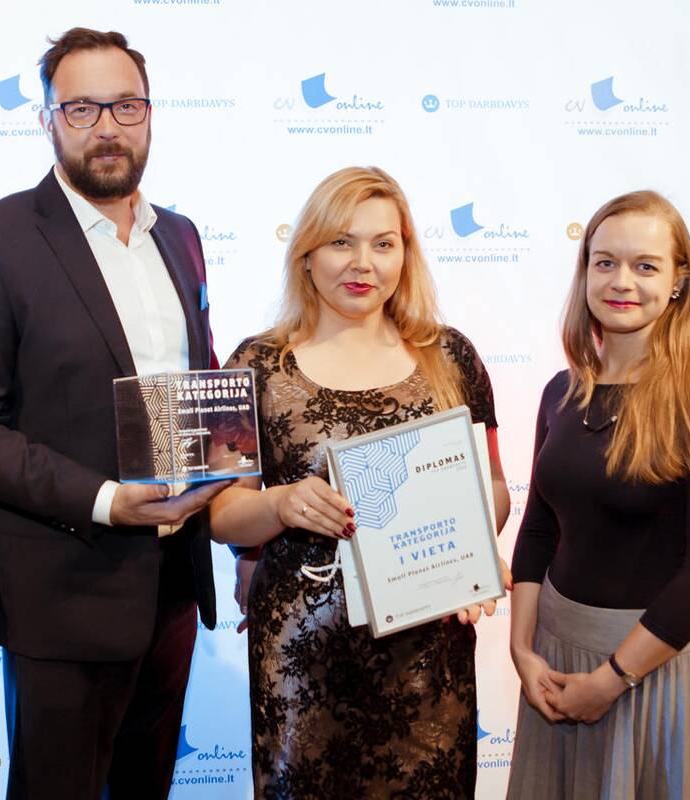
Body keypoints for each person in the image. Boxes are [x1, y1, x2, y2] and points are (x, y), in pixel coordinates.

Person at [0, 27, 226, 800]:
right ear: (46, 121)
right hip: (62, 596)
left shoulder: (180, 237)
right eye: (82, 108)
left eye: (126, 106)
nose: (107, 127)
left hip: (174, 587)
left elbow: (193, 389)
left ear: (150, 114)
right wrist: (105, 500)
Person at [210, 166, 511, 798]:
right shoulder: (256, 364)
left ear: (406, 252)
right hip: (302, 659)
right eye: (341, 242)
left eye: (383, 243)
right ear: (307, 254)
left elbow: (494, 487)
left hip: (428, 653)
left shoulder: (450, 355)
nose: (363, 263)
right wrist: (281, 503)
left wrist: (473, 552)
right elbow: (220, 515)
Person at [506, 190, 690, 799]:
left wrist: (612, 680)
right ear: (585, 271)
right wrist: (521, 651)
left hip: (652, 671)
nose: (621, 281)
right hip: (554, 661)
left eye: (645, 266)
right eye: (605, 262)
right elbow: (537, 531)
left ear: (678, 282)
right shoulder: (560, 391)